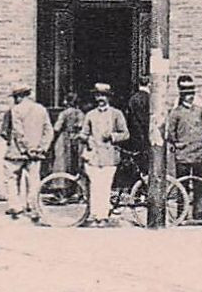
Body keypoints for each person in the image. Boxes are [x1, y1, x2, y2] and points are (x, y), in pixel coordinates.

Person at [77, 83, 128, 226]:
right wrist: (87, 139)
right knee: (94, 185)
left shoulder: (116, 114)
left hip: (109, 156)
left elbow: (125, 134)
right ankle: (94, 216)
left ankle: (103, 216)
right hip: (93, 155)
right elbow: (83, 133)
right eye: (98, 95)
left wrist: (112, 136)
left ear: (109, 97)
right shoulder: (90, 115)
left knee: (105, 186)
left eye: (103, 95)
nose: (101, 98)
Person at [1, 84, 53, 223]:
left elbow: (18, 132)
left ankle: (15, 206)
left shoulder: (16, 110)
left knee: (11, 178)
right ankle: (34, 208)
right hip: (36, 153)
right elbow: (49, 131)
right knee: (34, 181)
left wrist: (27, 148)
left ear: (19, 97)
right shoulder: (41, 109)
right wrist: (41, 148)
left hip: (17, 152)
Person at [162, 74, 202, 222]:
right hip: (182, 155)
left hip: (198, 154)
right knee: (181, 184)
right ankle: (181, 215)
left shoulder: (199, 110)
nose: (190, 97)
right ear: (182, 96)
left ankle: (199, 213)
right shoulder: (175, 112)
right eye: (187, 94)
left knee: (200, 184)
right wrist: (178, 144)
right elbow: (170, 133)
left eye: (191, 94)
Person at [49, 91, 84, 178]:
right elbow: (81, 126)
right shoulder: (81, 113)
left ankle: (62, 183)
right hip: (77, 138)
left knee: (62, 161)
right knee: (76, 161)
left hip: (64, 138)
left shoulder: (64, 113)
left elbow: (57, 128)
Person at [126, 74, 152, 174]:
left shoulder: (133, 99)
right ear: (150, 84)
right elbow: (145, 121)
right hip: (144, 137)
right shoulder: (150, 99)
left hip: (135, 136)